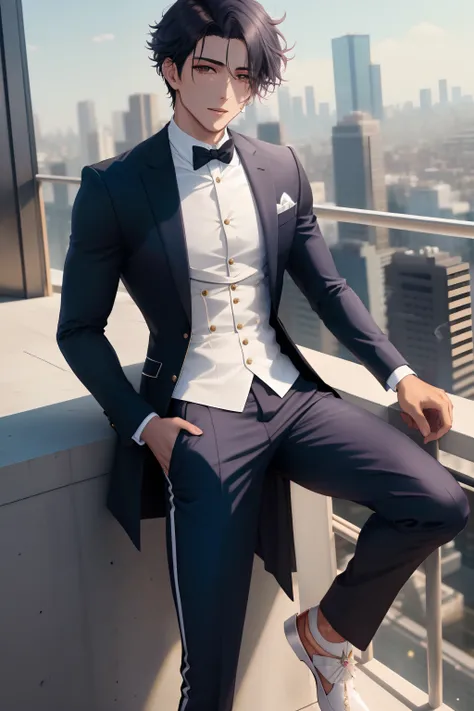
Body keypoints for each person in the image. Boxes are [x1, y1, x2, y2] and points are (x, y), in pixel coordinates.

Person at [56, 1, 470, 710]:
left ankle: (327, 635)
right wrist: (142, 424)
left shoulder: (280, 166)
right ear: (172, 70)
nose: (225, 91)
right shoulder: (114, 186)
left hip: (291, 397)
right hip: (200, 417)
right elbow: (78, 329)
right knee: (209, 677)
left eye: (242, 75)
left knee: (439, 501)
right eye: (209, 68)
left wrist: (399, 375)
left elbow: (329, 285)